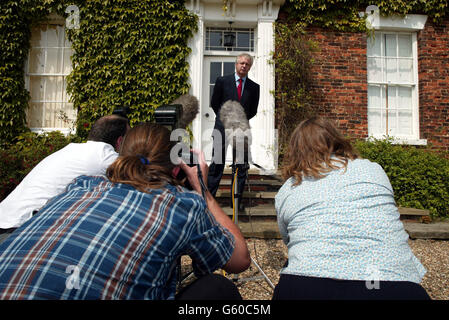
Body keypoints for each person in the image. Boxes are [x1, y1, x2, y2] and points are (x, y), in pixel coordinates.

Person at [0, 122, 250, 300]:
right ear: (176, 170)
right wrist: (202, 190)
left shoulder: (81, 185)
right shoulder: (182, 204)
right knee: (218, 289)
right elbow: (239, 259)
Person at [272, 117, 430, 300]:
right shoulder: (374, 170)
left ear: (296, 150)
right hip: (390, 281)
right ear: (337, 140)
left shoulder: (290, 188)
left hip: (306, 284)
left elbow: (288, 238)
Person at [0, 115, 129, 244]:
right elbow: (139, 176)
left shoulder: (72, 149)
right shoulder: (104, 155)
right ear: (119, 141)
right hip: (19, 228)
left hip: (7, 218)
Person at [207, 53, 260, 203]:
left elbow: (253, 110)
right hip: (221, 128)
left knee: (241, 165)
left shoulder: (254, 88)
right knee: (217, 163)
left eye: (247, 64)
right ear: (236, 64)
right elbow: (215, 103)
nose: (244, 66)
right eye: (241, 63)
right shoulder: (222, 81)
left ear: (250, 67)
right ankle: (210, 199)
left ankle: (236, 201)